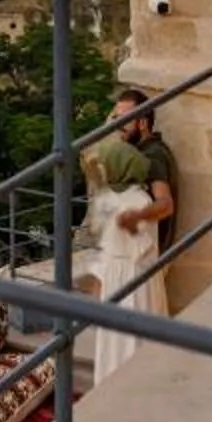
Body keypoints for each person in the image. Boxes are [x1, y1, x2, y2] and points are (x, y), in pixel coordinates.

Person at [80, 134, 166, 386]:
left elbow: (134, 244)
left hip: (131, 274)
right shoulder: (116, 199)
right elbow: (110, 245)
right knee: (117, 339)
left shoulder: (139, 201)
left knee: (131, 338)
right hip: (124, 274)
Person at [115, 87, 178, 255]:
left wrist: (135, 217)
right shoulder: (144, 150)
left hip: (146, 253)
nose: (117, 126)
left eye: (124, 120)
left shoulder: (151, 156)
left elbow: (166, 204)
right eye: (116, 119)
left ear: (142, 123)